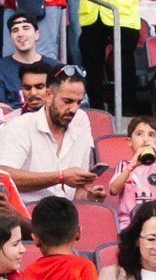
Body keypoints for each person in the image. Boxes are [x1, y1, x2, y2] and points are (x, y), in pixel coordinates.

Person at [0, 65, 102, 204]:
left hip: (65, 213)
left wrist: (87, 196)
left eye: (78, 102)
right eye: (67, 101)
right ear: (48, 95)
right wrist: (60, 177)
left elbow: (73, 191)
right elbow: (4, 176)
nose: (74, 109)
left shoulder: (81, 129)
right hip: (23, 213)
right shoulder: (20, 126)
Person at [108, 113, 156, 230]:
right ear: (129, 142)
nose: (146, 139)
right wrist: (131, 166)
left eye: (151, 135)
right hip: (129, 223)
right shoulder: (124, 166)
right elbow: (113, 190)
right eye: (139, 134)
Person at [0, 12, 40, 108]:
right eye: (15, 30)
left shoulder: (54, 67)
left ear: (37, 34)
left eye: (26, 28)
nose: (20, 34)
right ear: (10, 37)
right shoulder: (1, 68)